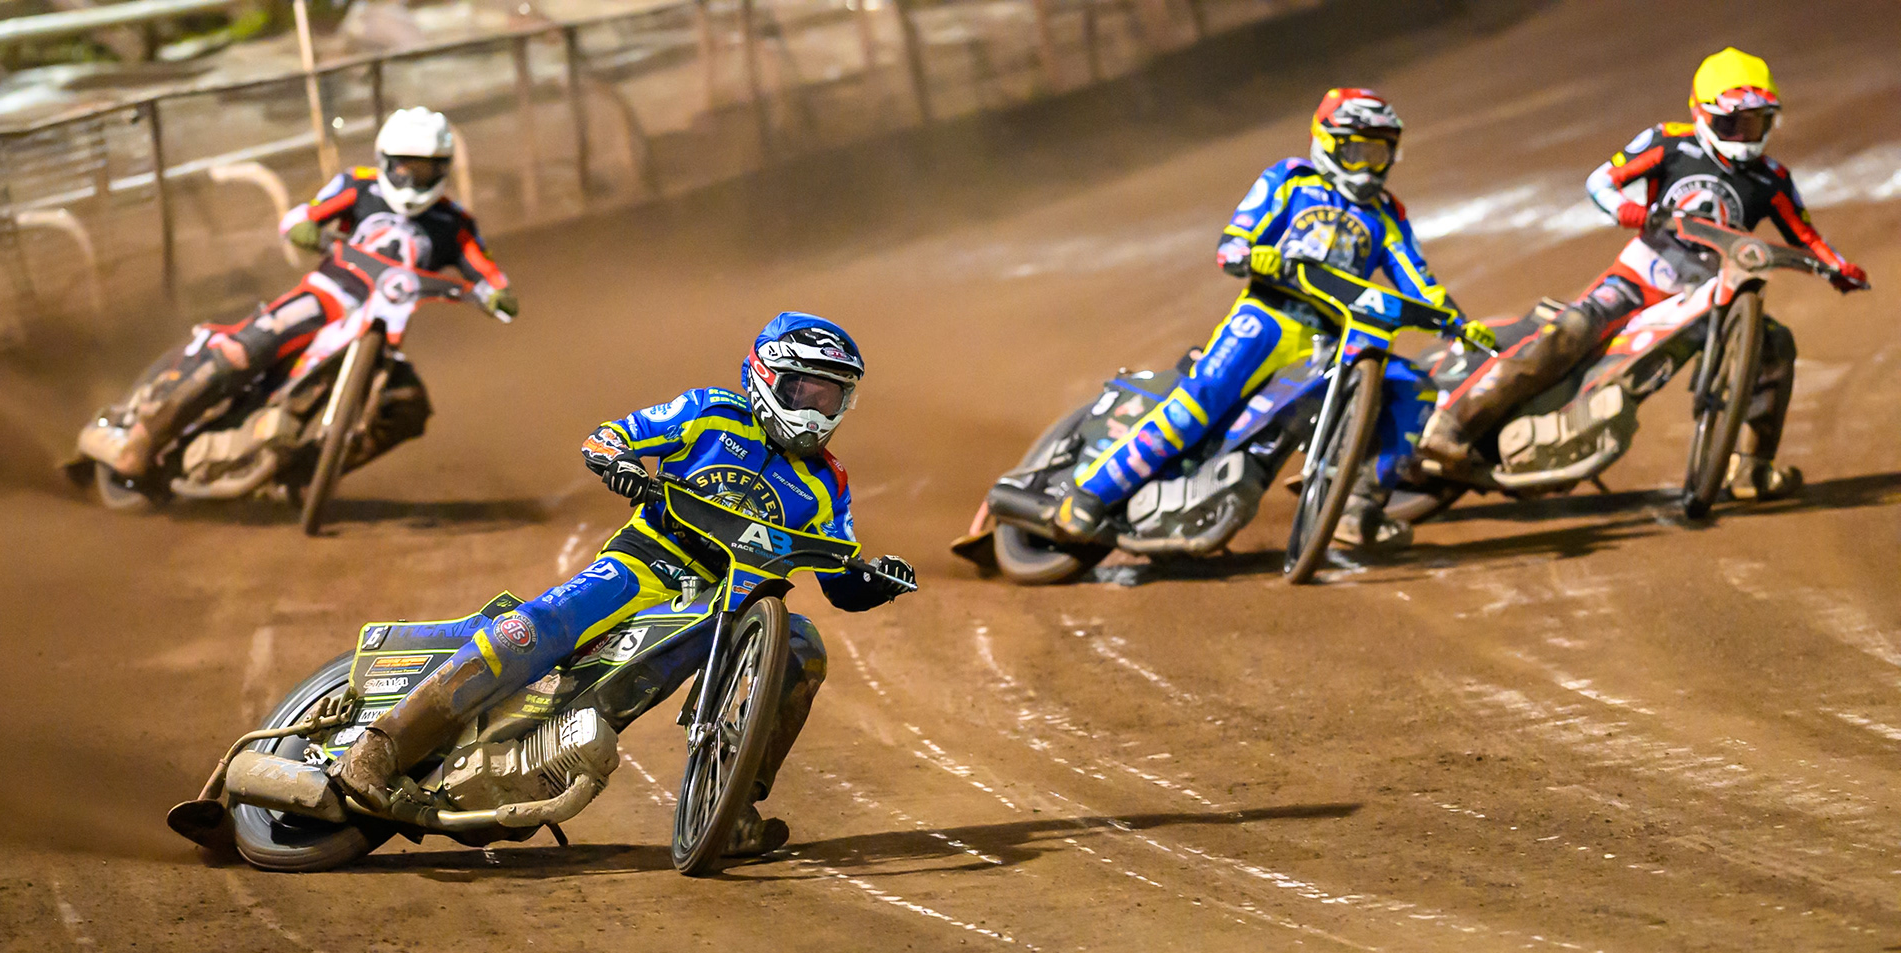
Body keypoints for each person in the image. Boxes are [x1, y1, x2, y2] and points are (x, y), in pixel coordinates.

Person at [331, 312, 917, 857]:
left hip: (729, 601)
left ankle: (734, 807)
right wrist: (618, 460)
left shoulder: (828, 482)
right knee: (536, 630)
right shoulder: (711, 412)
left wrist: (878, 579)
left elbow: (841, 578)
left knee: (804, 648)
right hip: (645, 562)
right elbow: (615, 435)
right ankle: (379, 747)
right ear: (766, 376)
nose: (816, 409)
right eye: (805, 390)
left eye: (831, 395)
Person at [1418, 48, 1869, 498]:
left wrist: (1837, 268)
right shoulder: (1668, 142)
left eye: (1757, 122)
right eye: (1733, 123)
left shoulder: (1773, 177)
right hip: (1640, 278)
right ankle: (1451, 425)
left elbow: (1805, 235)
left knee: (1774, 346)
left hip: (1713, 293)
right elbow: (1601, 182)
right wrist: (1634, 213)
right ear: (1702, 113)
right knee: (1568, 332)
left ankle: (1751, 468)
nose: (1745, 136)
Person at [1054, 88, 1490, 550]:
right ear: (1329, 142)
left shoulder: (1387, 214)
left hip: (1336, 336)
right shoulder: (1290, 180)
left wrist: (1457, 322)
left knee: (1413, 387)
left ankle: (1359, 506)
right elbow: (1235, 239)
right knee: (1205, 396)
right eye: (1357, 150)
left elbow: (1416, 277)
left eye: (1378, 152)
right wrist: (1252, 256)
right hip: (1269, 314)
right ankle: (1090, 496)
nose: (1367, 165)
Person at [78, 107, 518, 478]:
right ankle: (143, 435)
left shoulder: (454, 222)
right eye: (405, 166)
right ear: (386, 160)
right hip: (325, 296)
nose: (414, 179)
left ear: (442, 169)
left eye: (426, 169)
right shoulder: (359, 185)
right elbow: (305, 216)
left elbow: (484, 270)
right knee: (247, 347)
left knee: (407, 405)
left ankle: (305, 473)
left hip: (383, 327)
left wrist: (497, 294)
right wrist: (306, 228)